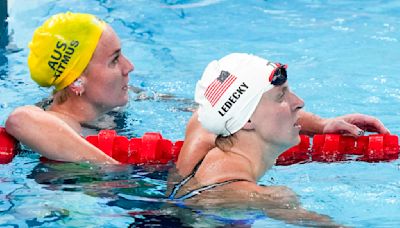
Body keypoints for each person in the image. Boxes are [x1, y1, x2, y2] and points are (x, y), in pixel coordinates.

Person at [168, 53, 389, 226]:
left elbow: (214, 109)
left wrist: (322, 125)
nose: (300, 102)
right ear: (246, 121)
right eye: (281, 96)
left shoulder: (203, 129)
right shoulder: (267, 198)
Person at [5, 12, 134, 163]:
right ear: (77, 82)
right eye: (114, 60)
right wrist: (112, 167)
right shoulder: (59, 124)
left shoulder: (109, 101)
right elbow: (19, 120)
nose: (129, 67)